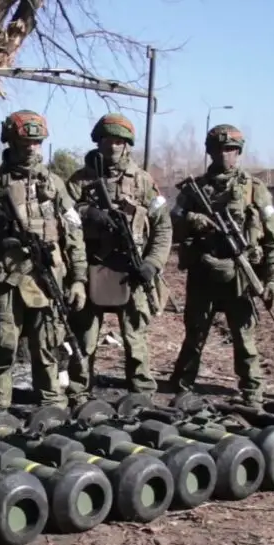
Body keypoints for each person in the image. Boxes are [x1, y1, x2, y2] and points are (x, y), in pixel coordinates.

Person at [0, 110, 87, 411]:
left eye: (37, 143)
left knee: (47, 345)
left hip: (46, 279)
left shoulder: (55, 185)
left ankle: (51, 405)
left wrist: (78, 279)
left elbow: (74, 234)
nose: (31, 148)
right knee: (3, 346)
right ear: (11, 143)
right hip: (6, 280)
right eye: (24, 142)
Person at [168, 124, 274, 407]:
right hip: (203, 270)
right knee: (195, 331)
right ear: (210, 152)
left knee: (243, 335)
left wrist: (272, 278)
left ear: (239, 153)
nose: (226, 156)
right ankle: (183, 382)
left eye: (231, 150)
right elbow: (172, 222)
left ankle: (252, 388)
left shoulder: (253, 189)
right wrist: (194, 220)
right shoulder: (195, 189)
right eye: (220, 150)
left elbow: (272, 236)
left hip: (239, 273)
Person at [65, 113, 171, 401]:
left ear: (128, 145)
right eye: (107, 140)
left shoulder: (144, 182)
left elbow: (163, 228)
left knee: (135, 339)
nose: (113, 147)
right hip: (92, 268)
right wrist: (89, 215)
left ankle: (142, 395)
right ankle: (78, 392)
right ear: (98, 141)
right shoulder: (78, 182)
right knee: (84, 338)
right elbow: (63, 222)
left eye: (119, 141)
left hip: (131, 270)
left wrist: (152, 263)